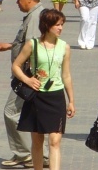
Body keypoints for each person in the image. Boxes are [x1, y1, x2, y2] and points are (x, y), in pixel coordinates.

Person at [11, 9, 76, 170]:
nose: (61, 28)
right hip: (36, 96)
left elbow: (66, 75)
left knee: (54, 141)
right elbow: (16, 66)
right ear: (47, 26)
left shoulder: (64, 47)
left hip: (56, 97)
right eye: (57, 25)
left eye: (62, 25)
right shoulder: (32, 44)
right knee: (38, 140)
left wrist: (71, 101)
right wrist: (27, 79)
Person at [0, 0, 47, 168]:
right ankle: (40, 154)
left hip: (27, 76)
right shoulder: (34, 15)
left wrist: (26, 77)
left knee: (11, 112)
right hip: (29, 76)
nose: (17, 1)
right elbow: (27, 43)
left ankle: (26, 154)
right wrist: (10, 45)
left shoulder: (34, 17)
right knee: (33, 114)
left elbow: (32, 47)